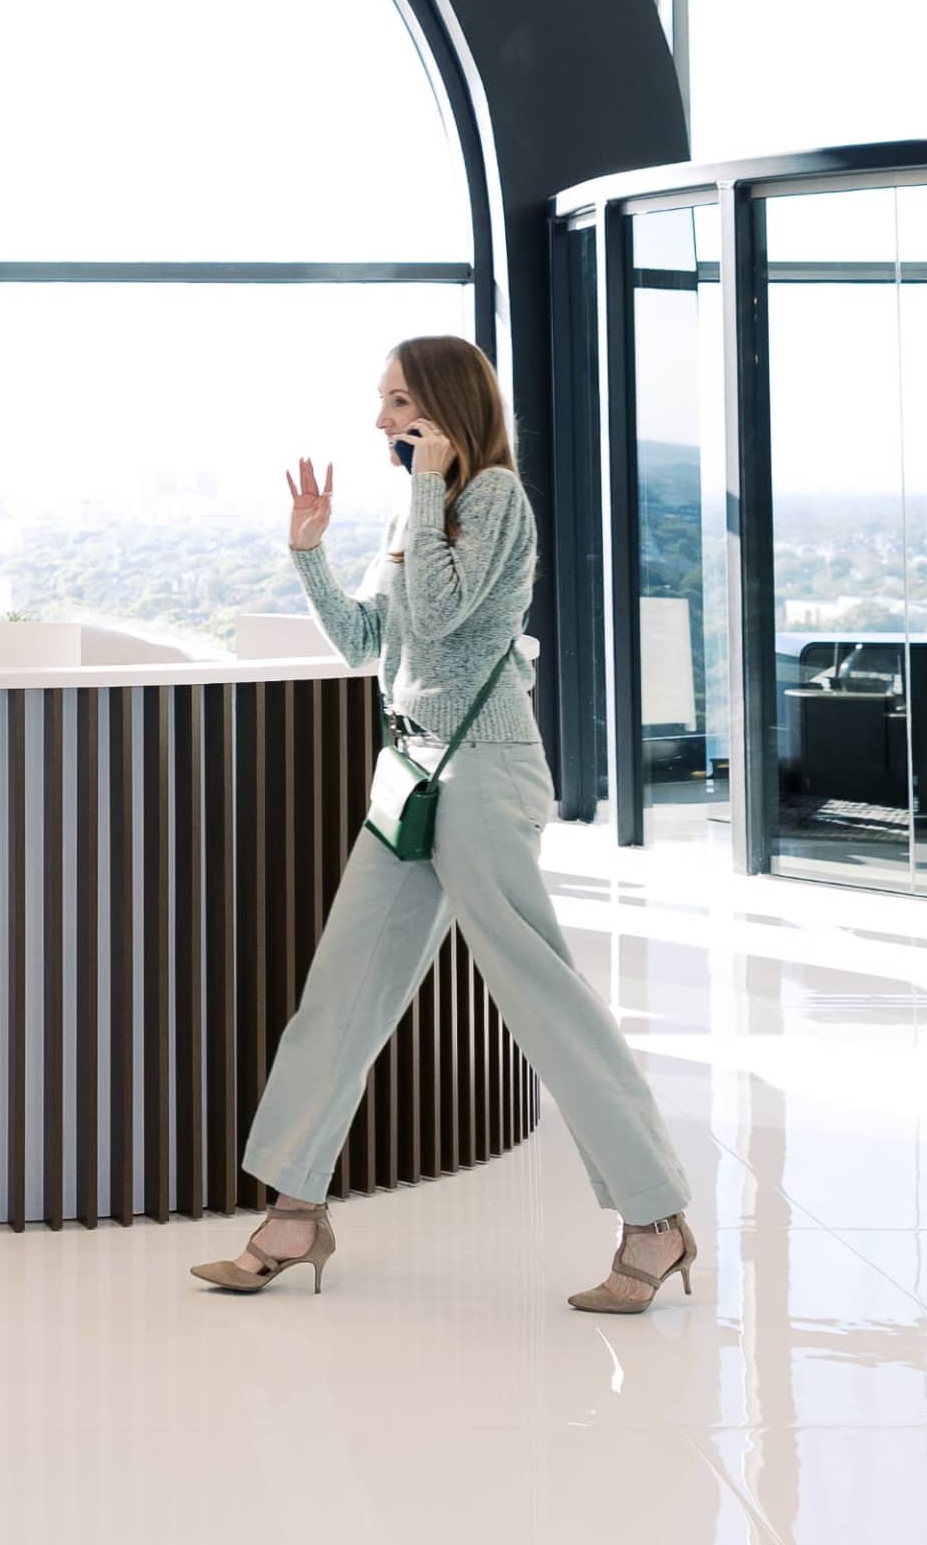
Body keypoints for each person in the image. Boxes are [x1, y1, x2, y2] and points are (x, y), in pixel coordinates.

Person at [188, 334, 701, 1314]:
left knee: (536, 989)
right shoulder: (416, 510)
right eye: (382, 403)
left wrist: (427, 495)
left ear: (442, 409)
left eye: (396, 402)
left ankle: (654, 1218)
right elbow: (366, 644)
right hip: (413, 767)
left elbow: (458, 617)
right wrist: (309, 556)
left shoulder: (494, 499)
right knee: (341, 990)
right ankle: (295, 1213)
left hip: (486, 766)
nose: (380, 420)